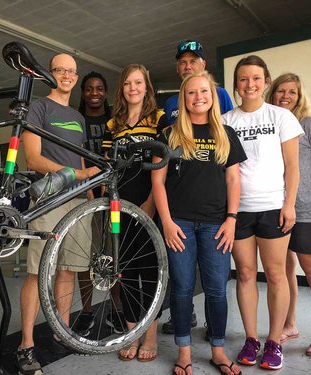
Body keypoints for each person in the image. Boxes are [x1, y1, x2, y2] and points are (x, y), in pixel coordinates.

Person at [152, 71, 246, 375]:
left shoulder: (226, 134)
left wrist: (231, 219)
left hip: (216, 225)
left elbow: (233, 180)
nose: (198, 97)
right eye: (191, 92)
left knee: (217, 289)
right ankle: (184, 352)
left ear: (212, 95)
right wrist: (165, 221)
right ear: (184, 98)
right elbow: (158, 182)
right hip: (179, 224)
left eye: (204, 91)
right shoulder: (169, 135)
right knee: (181, 289)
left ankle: (218, 350)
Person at [17, 53, 99, 375]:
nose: (65, 75)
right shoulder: (39, 108)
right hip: (48, 199)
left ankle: (61, 329)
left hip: (78, 202)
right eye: (59, 70)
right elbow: (33, 159)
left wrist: (89, 196)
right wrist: (78, 176)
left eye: (70, 71)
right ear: (50, 75)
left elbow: (79, 161)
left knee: (67, 269)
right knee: (38, 272)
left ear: (75, 77)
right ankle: (25, 345)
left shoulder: (77, 117)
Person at [222, 55, 303, 370]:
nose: (250, 84)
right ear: (236, 85)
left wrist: (290, 203)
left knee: (275, 275)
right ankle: (251, 338)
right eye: (243, 79)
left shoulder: (281, 117)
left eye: (256, 78)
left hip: (273, 208)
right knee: (244, 274)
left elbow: (293, 166)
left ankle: (273, 342)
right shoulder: (227, 121)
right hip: (239, 210)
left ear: (265, 81)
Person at [162, 39, 234, 337]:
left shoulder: (219, 95)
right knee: (182, 282)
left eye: (193, 60)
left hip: (215, 212)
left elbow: (229, 157)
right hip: (180, 209)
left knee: (216, 283)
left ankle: (215, 334)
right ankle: (186, 321)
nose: (187, 65)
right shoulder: (169, 106)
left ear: (204, 64)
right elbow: (165, 162)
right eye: (182, 61)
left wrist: (232, 215)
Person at [267, 73, 311, 357]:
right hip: (281, 209)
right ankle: (290, 324)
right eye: (280, 91)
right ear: (272, 95)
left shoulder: (308, 124)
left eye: (292, 92)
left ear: (300, 97)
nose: (285, 96)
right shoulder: (274, 127)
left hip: (310, 214)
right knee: (285, 271)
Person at [101, 63, 168, 362]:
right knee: (124, 272)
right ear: (122, 88)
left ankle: (149, 337)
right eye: (128, 83)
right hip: (119, 205)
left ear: (146, 87)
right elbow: (107, 165)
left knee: (150, 271)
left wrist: (152, 203)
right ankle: (131, 334)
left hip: (148, 203)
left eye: (138, 82)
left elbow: (162, 165)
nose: (133, 88)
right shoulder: (112, 124)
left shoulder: (158, 118)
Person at [74, 71, 125, 337]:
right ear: (83, 92)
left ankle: (116, 308)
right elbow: (75, 157)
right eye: (89, 89)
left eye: (100, 89)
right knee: (84, 257)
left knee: (111, 256)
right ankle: (86, 311)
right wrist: (88, 192)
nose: (95, 93)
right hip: (85, 195)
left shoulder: (115, 121)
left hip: (112, 197)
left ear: (106, 92)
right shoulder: (76, 119)